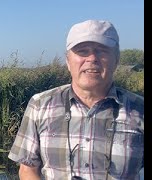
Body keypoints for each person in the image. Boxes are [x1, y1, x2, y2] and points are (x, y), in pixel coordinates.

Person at [8, 19, 144, 180]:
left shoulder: (140, 109)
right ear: (68, 61)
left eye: (102, 50)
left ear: (116, 60)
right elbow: (28, 170)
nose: (92, 58)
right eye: (82, 51)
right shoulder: (40, 105)